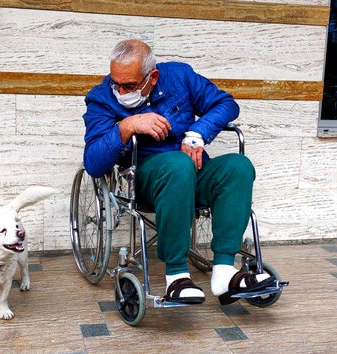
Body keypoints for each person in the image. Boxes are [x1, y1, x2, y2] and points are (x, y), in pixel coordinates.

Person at [82, 39, 273, 305]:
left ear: (153, 76)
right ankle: (176, 276)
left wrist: (198, 133)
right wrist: (127, 126)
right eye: (116, 83)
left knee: (238, 166)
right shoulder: (102, 98)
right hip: (146, 179)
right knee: (177, 165)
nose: (121, 91)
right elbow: (93, 163)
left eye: (129, 86)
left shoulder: (179, 77)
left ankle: (224, 271)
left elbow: (226, 104)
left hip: (193, 171)